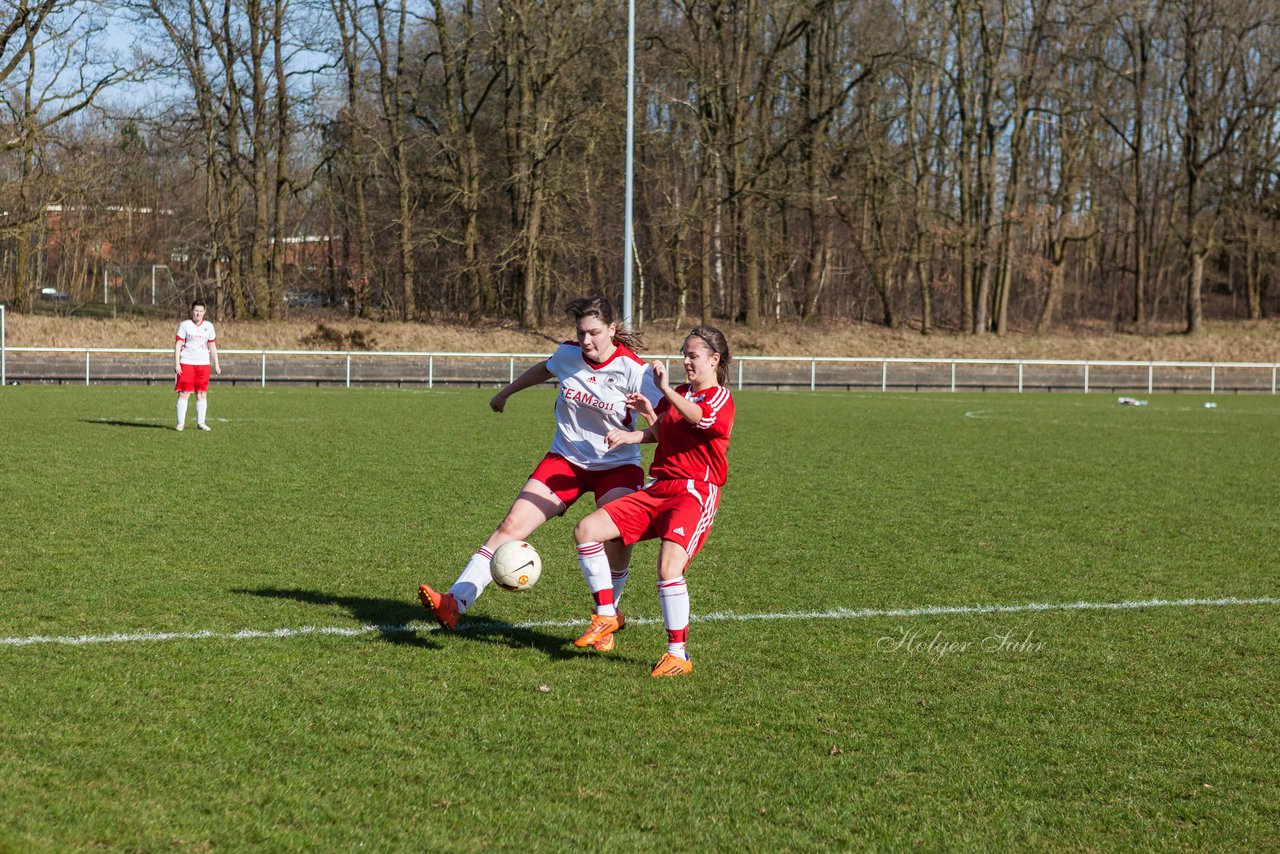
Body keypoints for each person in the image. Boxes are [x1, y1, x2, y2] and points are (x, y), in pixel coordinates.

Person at [418, 296, 662, 649]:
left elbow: (668, 424)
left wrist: (638, 433)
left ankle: (606, 614)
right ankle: (455, 601)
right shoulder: (568, 355)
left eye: (594, 333)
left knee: (618, 539)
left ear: (612, 330)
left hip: (617, 466)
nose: (587, 341)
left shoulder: (635, 371)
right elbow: (545, 368)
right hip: (565, 461)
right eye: (581, 333)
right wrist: (507, 392)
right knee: (510, 527)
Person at [570, 326, 734, 677]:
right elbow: (664, 431)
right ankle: (606, 614)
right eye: (683, 355)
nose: (686, 362)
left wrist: (662, 391)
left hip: (694, 492)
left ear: (714, 359)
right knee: (588, 529)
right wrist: (642, 419)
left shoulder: (718, 397)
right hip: (659, 487)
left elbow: (700, 418)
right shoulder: (681, 393)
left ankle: (678, 654)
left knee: (668, 567)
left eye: (692, 356)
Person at [174, 299, 221, 431]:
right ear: (192, 311)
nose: (198, 314)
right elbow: (178, 345)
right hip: (187, 362)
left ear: (204, 312)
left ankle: (201, 422)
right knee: (184, 393)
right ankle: (180, 423)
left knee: (201, 393)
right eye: (196, 311)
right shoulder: (185, 325)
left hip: (203, 364)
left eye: (201, 311)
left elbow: (212, 346)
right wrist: (177, 363)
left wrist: (216, 363)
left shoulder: (209, 326)